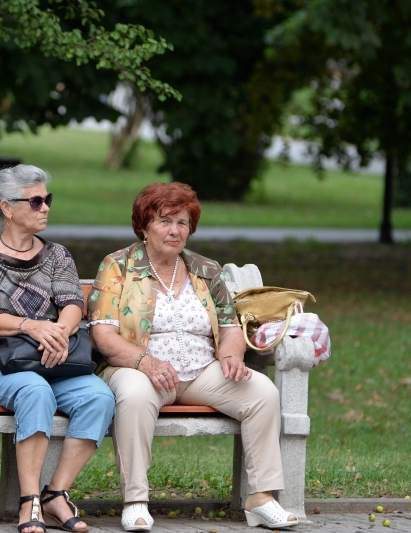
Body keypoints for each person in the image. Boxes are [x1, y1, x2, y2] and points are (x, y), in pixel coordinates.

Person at [87, 182, 299, 531]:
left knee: (262, 393)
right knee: (135, 395)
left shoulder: (205, 269)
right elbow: (102, 335)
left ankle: (261, 498)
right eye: (165, 221)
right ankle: (136, 501)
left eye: (182, 223)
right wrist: (147, 362)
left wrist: (232, 355)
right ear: (144, 225)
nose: (174, 231)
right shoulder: (118, 266)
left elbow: (230, 325)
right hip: (139, 367)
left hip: (201, 371)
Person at [0, 164, 115, 533]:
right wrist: (34, 326)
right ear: (7, 208)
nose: (45, 208)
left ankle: (56, 494)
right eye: (36, 200)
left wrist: (58, 332)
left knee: (99, 398)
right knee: (34, 389)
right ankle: (28, 503)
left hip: (54, 361)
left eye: (48, 199)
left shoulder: (57, 255)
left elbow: (74, 301)